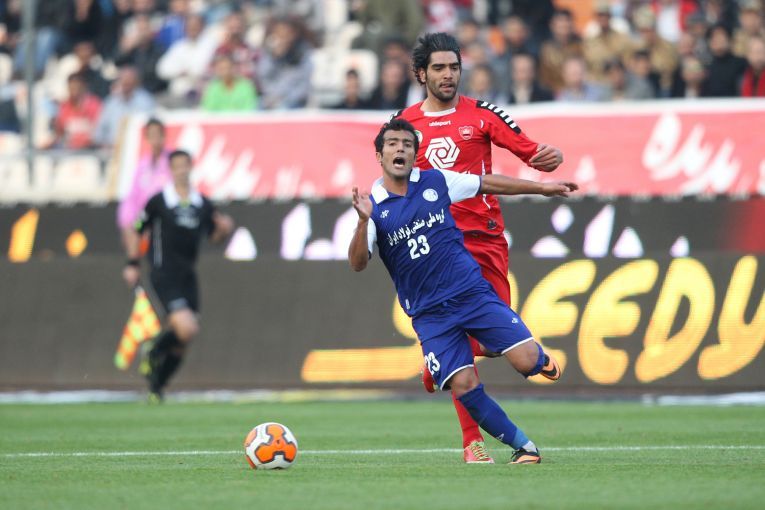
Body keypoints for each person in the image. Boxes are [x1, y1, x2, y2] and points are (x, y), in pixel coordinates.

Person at [349, 118, 574, 464]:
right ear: (379, 155)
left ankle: (537, 358)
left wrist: (541, 189)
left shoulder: (436, 181)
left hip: (472, 295)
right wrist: (363, 221)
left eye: (407, 144)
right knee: (465, 386)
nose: (400, 149)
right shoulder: (373, 207)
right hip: (430, 315)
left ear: (415, 153)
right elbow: (357, 263)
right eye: (392, 144)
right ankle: (525, 447)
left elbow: (486, 183)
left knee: (527, 362)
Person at [394, 32, 563, 464]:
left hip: (484, 238)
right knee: (460, 348)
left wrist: (545, 158)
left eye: (454, 67)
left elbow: (526, 149)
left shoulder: (482, 114)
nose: (448, 75)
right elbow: (394, 181)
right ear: (421, 74)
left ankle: (439, 361)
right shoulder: (404, 125)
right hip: (439, 246)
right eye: (439, 68)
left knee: (487, 340)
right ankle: (472, 441)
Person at [123, 149, 234, 402]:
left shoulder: (202, 204)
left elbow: (214, 237)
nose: (182, 170)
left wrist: (224, 229)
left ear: (191, 167)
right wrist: (132, 263)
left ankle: (156, 387)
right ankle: (152, 351)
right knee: (186, 327)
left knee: (184, 339)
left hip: (188, 275)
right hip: (164, 272)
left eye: (185, 165)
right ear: (171, 170)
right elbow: (136, 228)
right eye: (177, 166)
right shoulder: (159, 201)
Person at [117, 118, 172, 250]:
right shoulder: (142, 166)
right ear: (147, 138)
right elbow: (132, 197)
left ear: (164, 136)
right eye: (151, 135)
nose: (155, 139)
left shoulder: (172, 161)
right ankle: (134, 259)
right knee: (135, 230)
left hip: (166, 219)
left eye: (158, 134)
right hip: (145, 218)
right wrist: (126, 222)